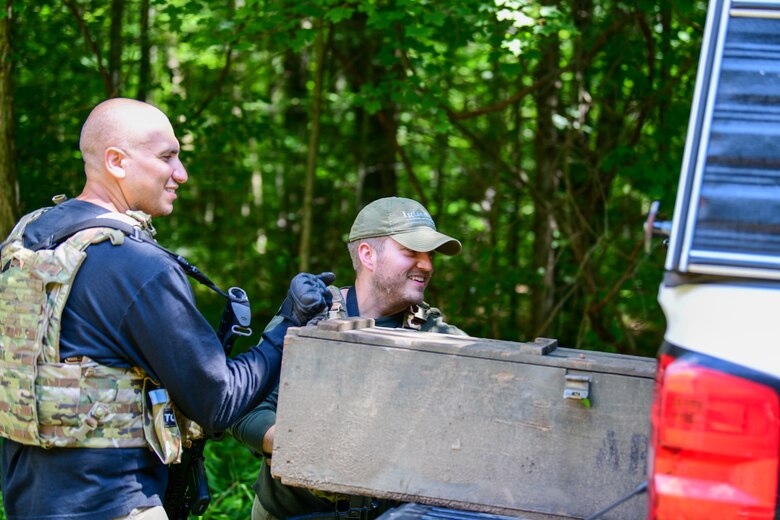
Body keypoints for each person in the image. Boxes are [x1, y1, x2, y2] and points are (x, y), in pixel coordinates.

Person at [0, 98, 331, 520]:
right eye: (167, 157)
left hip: (28, 501)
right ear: (117, 162)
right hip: (115, 504)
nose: (181, 174)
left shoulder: (28, 239)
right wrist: (286, 327)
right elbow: (218, 402)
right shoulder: (137, 266)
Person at [230, 196, 467, 520]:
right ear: (368, 255)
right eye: (411, 252)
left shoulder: (440, 339)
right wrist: (313, 451)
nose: (426, 265)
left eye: (429, 255)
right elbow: (245, 411)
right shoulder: (310, 316)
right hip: (292, 513)